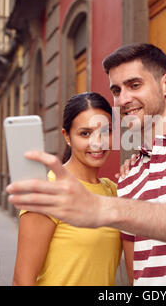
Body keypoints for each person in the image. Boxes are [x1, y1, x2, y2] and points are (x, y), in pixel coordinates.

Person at [7, 43, 166, 286]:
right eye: (116, 90)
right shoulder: (129, 177)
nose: (123, 99)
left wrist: (103, 208)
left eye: (134, 85)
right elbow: (136, 277)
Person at [12, 92, 122, 286]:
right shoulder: (47, 192)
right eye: (85, 133)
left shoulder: (113, 191)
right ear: (67, 136)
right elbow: (22, 280)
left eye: (106, 131)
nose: (97, 142)